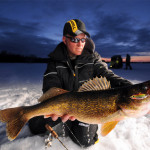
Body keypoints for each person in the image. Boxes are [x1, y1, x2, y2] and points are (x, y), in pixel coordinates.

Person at [28, 19, 132, 147]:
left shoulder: (93, 59)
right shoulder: (54, 63)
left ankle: (78, 126)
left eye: (83, 39)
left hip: (88, 109)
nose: (80, 43)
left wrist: (131, 89)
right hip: (62, 106)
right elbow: (51, 87)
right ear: (64, 40)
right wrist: (57, 107)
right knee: (35, 126)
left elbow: (108, 75)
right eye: (75, 39)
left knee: (85, 141)